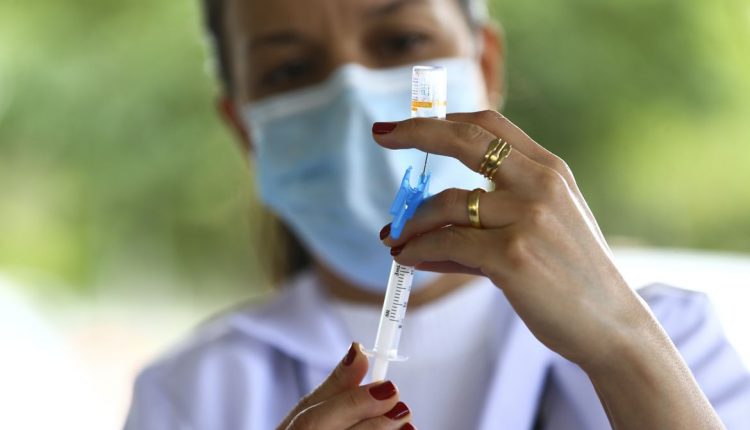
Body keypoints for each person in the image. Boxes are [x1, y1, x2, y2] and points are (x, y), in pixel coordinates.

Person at [124, 0, 750, 428]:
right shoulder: (191, 394)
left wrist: (625, 347)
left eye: (401, 41)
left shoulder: (667, 340)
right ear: (244, 127)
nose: (352, 95)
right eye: (289, 69)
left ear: (485, 64)